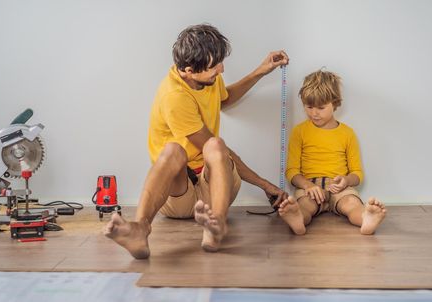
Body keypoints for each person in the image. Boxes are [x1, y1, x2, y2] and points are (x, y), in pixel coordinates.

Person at [103, 24, 289, 259]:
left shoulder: (208, 77)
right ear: (188, 71)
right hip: (180, 195)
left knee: (214, 146)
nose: (221, 69)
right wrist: (264, 184)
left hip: (214, 188)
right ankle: (139, 229)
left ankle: (216, 225)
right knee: (178, 150)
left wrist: (261, 70)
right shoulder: (175, 96)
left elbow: (226, 97)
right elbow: (212, 145)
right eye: (215, 66)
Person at [278, 69, 386, 235]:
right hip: (310, 187)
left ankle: (367, 219)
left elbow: (357, 173)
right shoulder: (299, 131)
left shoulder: (347, 133)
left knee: (351, 204)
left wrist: (346, 180)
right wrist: (308, 185)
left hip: (339, 188)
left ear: (335, 103)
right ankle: (297, 220)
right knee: (305, 206)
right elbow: (292, 171)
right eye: (309, 106)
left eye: (321, 107)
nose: (314, 113)